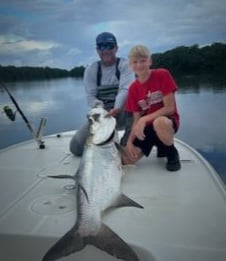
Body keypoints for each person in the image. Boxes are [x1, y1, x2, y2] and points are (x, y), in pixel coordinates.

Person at [69, 32, 135, 156]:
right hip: (103, 114)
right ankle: (104, 144)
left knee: (137, 109)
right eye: (102, 47)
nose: (106, 51)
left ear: (116, 48)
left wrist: (116, 108)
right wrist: (101, 109)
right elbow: (90, 96)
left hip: (124, 112)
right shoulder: (91, 70)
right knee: (76, 148)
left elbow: (125, 90)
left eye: (109, 46)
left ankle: (126, 142)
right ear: (97, 50)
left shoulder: (125, 65)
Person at [123, 44, 181, 171]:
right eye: (135, 62)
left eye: (143, 61)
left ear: (150, 61)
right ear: (130, 65)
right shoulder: (133, 88)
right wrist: (129, 142)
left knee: (159, 122)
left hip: (166, 122)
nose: (139, 65)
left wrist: (144, 120)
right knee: (127, 160)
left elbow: (169, 108)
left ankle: (171, 152)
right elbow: (136, 119)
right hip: (147, 128)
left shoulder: (162, 74)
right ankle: (160, 145)